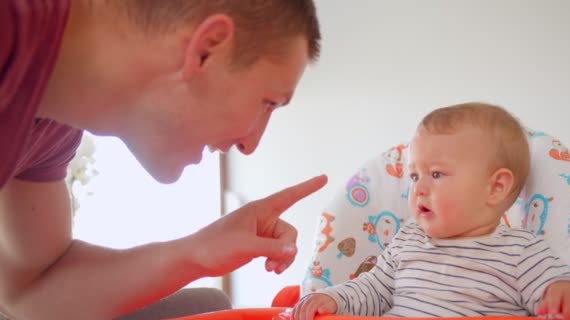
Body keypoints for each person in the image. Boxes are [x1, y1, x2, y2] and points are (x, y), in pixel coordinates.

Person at [0, 1, 326, 319]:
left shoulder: (53, 123)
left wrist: (200, 252)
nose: (249, 144)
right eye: (267, 102)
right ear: (207, 50)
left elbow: (28, 294)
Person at [293, 103, 570, 320]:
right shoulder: (407, 241)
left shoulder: (521, 252)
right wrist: (334, 298)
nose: (418, 188)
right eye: (414, 176)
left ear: (495, 188)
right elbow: (373, 290)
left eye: (437, 174)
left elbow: (555, 291)